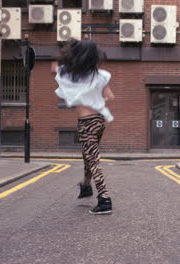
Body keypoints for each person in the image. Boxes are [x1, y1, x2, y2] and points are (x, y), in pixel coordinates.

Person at [54, 38, 115, 215]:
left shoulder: (70, 77)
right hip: (99, 121)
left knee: (93, 159)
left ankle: (104, 199)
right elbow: (110, 97)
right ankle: (86, 186)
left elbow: (61, 83)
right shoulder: (99, 76)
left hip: (87, 123)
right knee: (87, 156)